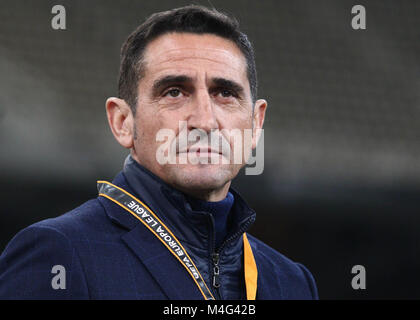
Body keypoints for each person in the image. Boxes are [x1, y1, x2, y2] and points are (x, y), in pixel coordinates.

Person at [0, 5, 318, 300]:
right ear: (123, 122)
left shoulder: (291, 282)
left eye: (225, 93)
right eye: (175, 92)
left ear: (255, 122)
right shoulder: (60, 254)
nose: (205, 121)